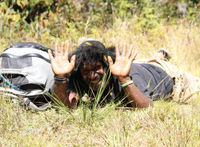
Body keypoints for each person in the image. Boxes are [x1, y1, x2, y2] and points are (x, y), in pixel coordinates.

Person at [48, 40, 198, 109]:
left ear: (107, 65)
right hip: (143, 67)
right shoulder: (77, 74)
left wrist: (124, 78)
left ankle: (160, 58)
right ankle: (158, 56)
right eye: (86, 71)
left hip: (169, 76)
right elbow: (63, 106)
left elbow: (146, 107)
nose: (92, 75)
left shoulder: (127, 73)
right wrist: (60, 78)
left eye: (97, 68)